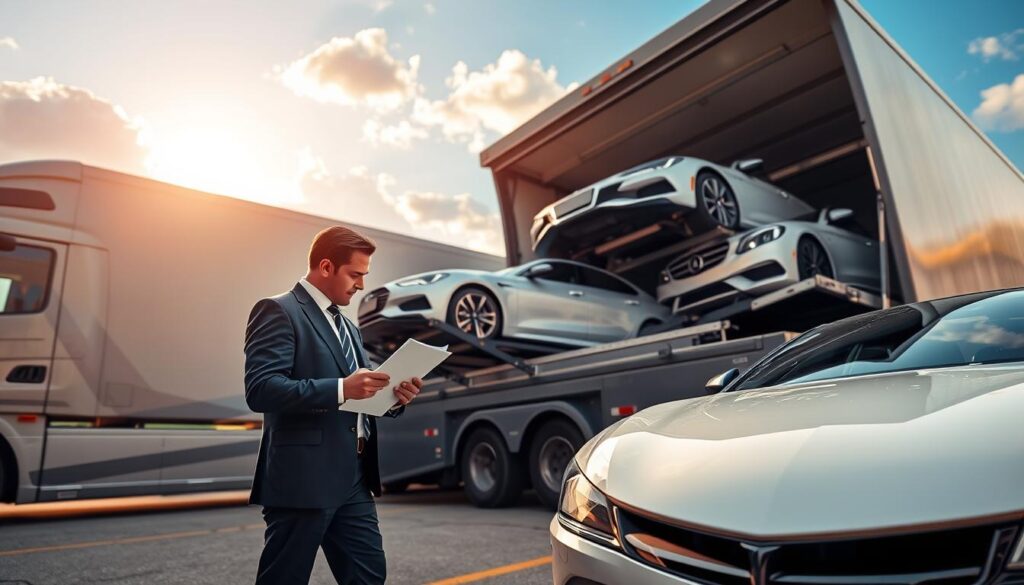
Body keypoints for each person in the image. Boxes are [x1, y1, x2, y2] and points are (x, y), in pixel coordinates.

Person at [244, 224, 422, 584]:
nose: (360, 284)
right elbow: (261, 389)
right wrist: (342, 388)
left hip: (354, 479)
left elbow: (361, 392)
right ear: (326, 267)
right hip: (302, 480)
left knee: (369, 578)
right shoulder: (278, 310)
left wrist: (392, 399)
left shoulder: (349, 328)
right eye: (355, 274)